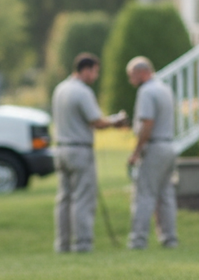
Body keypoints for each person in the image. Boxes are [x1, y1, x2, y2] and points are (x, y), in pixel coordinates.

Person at [51, 53, 126, 253]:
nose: (95, 76)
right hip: (79, 151)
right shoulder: (82, 92)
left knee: (64, 200)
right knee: (83, 199)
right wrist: (115, 121)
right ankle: (82, 244)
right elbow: (97, 122)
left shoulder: (60, 89)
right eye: (95, 71)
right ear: (85, 70)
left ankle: (62, 244)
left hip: (61, 149)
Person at [126, 56, 178, 249]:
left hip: (154, 147)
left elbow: (147, 124)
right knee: (166, 195)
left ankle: (137, 240)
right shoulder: (164, 89)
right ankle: (170, 239)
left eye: (132, 76)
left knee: (144, 195)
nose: (131, 81)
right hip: (169, 146)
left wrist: (136, 152)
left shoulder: (146, 91)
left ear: (141, 73)